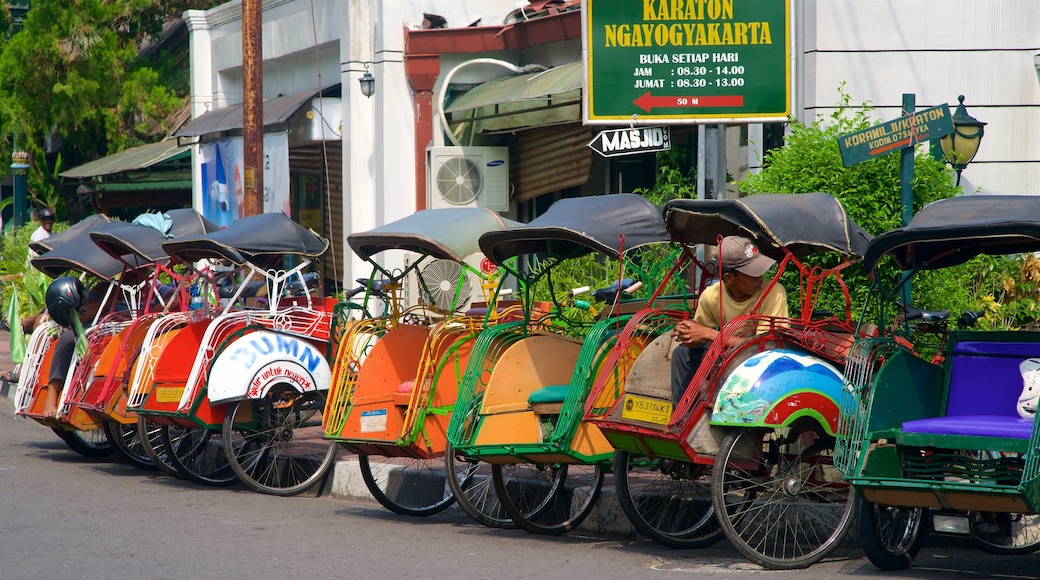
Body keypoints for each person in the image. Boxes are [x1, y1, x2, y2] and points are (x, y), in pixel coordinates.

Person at [670, 236, 789, 404]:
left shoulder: (773, 292)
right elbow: (699, 338)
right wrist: (687, 334)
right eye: (753, 273)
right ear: (729, 278)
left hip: (760, 363)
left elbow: (764, 348)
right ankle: (683, 418)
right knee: (682, 354)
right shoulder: (712, 295)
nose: (760, 276)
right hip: (727, 356)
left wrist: (709, 334)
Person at [40, 277, 105, 418]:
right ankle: (51, 397)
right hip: (98, 330)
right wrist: (108, 299)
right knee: (68, 339)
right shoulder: (104, 288)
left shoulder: (154, 288)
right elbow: (82, 314)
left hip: (134, 331)